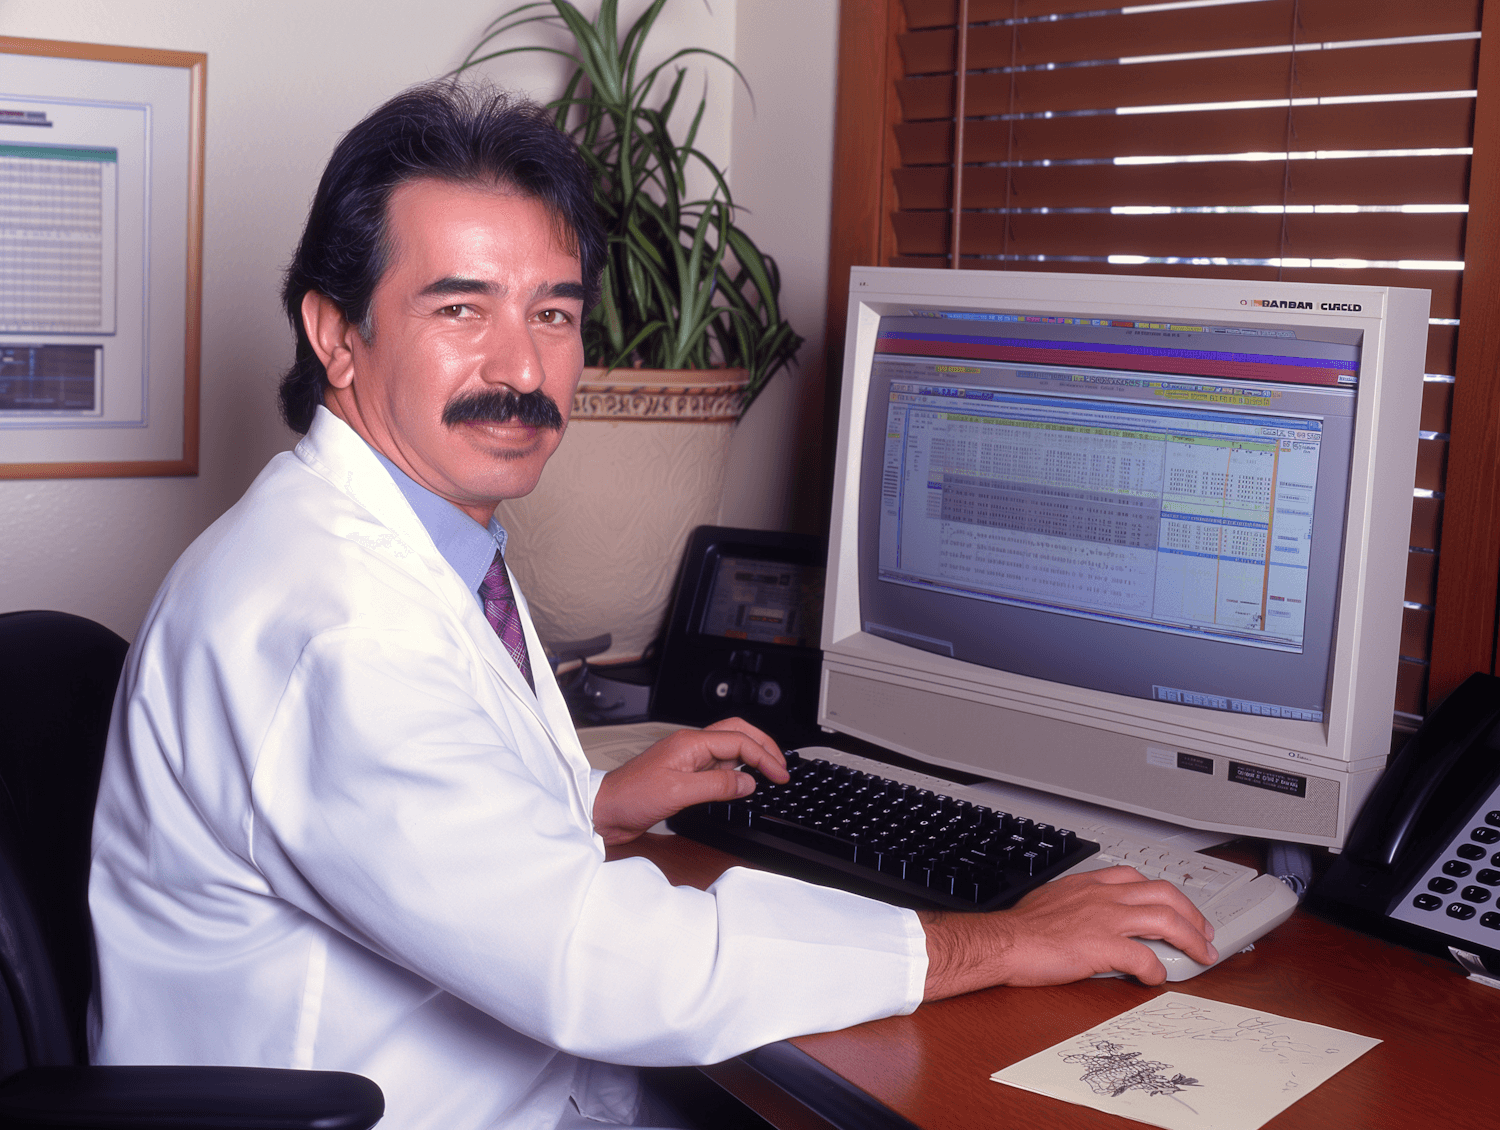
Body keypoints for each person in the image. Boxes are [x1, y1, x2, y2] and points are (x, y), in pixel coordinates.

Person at [88, 82, 1215, 1130]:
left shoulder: (409, 530)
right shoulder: (333, 620)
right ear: (337, 333)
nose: (521, 368)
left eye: (555, 313)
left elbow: (425, 830)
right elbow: (596, 962)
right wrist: (995, 940)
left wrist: (593, 802)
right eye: (460, 308)